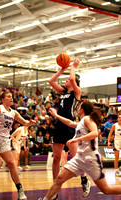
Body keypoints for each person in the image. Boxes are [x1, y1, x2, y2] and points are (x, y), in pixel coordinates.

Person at [38, 101, 121, 200]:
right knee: (59, 179)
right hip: (79, 158)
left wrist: (76, 139)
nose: (77, 108)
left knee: (106, 189)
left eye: (78, 107)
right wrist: (56, 115)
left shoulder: (87, 119)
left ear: (82, 110)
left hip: (91, 159)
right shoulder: (81, 122)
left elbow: (94, 133)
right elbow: (69, 122)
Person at [48, 58, 90, 199]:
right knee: (56, 158)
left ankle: (84, 180)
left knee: (76, 157)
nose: (66, 81)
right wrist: (62, 69)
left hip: (71, 126)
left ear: (75, 83)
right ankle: (54, 186)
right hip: (59, 125)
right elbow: (51, 81)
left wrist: (73, 66)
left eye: (68, 80)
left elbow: (72, 79)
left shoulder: (76, 92)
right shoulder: (62, 92)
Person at [0, 91, 36, 200]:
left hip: (5, 140)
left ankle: (20, 190)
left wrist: (30, 123)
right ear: (3, 99)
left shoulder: (14, 113)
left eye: (11, 97)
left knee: (11, 164)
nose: (11, 98)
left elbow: (24, 123)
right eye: (8, 97)